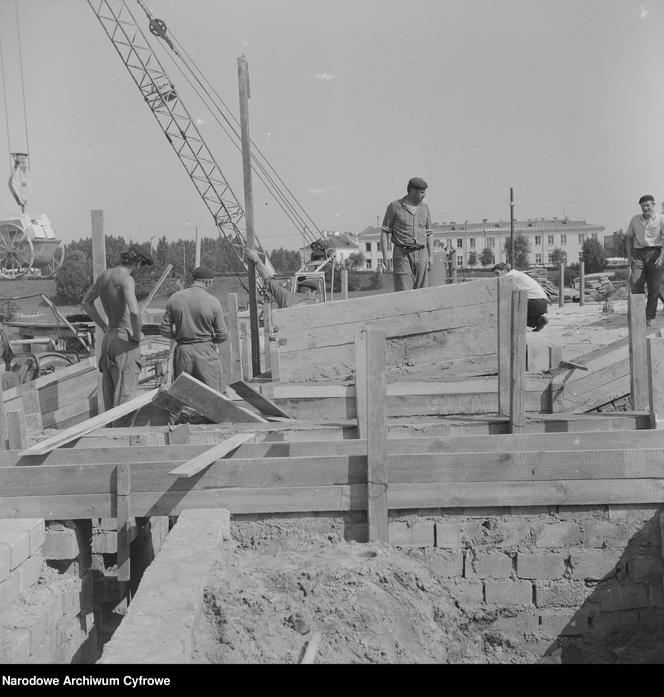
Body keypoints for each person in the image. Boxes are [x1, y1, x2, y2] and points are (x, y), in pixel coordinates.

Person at [82, 246, 154, 410]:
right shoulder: (126, 279)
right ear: (139, 263)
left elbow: (86, 302)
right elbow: (135, 312)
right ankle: (123, 433)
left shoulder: (105, 275)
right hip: (124, 341)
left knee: (110, 390)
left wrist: (103, 327)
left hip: (109, 338)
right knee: (125, 395)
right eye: (142, 266)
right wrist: (136, 335)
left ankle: (111, 431)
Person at [159, 266, 228, 391]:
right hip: (205, 350)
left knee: (184, 393)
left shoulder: (174, 299)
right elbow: (222, 335)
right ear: (207, 282)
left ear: (194, 280)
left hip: (183, 352)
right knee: (213, 393)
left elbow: (164, 329)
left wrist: (180, 335)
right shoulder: (213, 301)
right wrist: (210, 340)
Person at [381, 177, 434, 291]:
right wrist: (385, 255)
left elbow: (429, 233)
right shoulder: (394, 206)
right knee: (404, 293)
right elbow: (385, 232)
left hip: (422, 254)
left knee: (422, 292)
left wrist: (430, 256)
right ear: (412, 191)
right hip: (402, 255)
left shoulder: (425, 208)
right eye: (421, 193)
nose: (424, 196)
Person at [626, 194, 664, 327]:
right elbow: (629, 238)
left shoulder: (661, 219)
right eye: (643, 206)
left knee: (654, 287)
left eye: (648, 205)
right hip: (639, 254)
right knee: (635, 282)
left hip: (655, 253)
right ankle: (638, 315)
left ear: (653, 205)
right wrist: (629, 257)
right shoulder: (635, 220)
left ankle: (649, 316)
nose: (645, 208)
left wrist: (662, 256)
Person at [244, 247, 320, 308]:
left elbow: (268, 279)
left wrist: (257, 260)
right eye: (314, 294)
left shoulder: (286, 297)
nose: (314, 297)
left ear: (297, 289)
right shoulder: (315, 306)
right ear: (308, 292)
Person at [493, 263, 549, 331]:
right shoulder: (516, 274)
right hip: (542, 303)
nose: (496, 276)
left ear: (504, 271)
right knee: (518, 313)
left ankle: (511, 331)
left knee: (509, 312)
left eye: (497, 273)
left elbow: (496, 283)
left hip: (534, 302)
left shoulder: (510, 275)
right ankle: (538, 321)